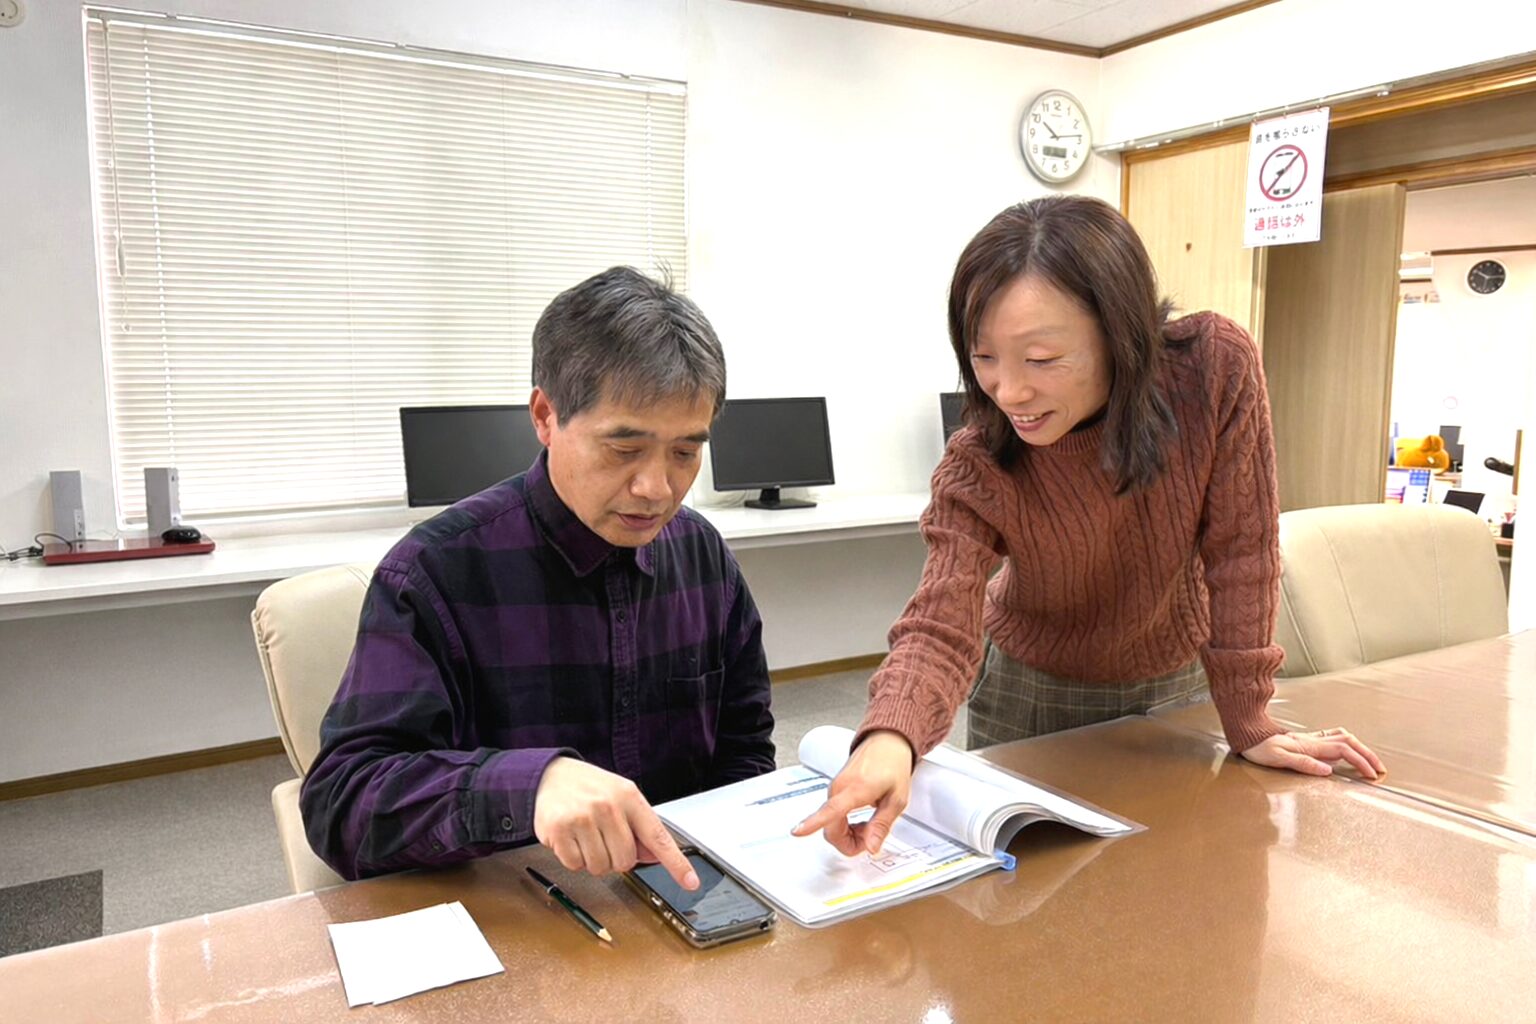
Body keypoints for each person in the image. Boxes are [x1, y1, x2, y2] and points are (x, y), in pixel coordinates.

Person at [795, 195, 1384, 858]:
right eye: (984, 357)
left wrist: (1250, 718)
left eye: (1041, 360)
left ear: (1120, 333)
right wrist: (890, 736)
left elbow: (1242, 551)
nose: (1009, 391)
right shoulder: (980, 458)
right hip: (1029, 688)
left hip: (1177, 678)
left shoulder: (1211, 370)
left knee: (1186, 875)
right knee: (1031, 900)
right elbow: (940, 617)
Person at [302, 266, 775, 889]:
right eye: (624, 449)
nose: (657, 488)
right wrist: (530, 785)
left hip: (678, 905)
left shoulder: (702, 557)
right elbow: (344, 804)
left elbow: (745, 751)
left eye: (686, 452)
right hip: (514, 915)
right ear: (546, 416)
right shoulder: (435, 572)